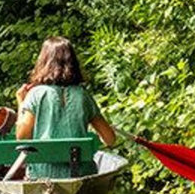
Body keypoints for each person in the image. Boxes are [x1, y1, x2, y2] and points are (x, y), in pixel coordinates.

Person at [14, 36, 118, 178]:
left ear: (44, 62)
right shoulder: (83, 96)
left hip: (43, 175)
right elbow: (110, 139)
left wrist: (21, 103)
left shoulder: (36, 94)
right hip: (81, 174)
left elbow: (21, 136)